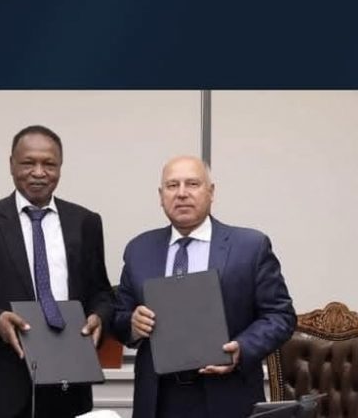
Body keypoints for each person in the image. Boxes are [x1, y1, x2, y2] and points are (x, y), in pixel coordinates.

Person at [0, 125, 113, 418]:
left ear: (60, 167)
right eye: (28, 163)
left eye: (49, 164)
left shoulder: (85, 222)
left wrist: (99, 317)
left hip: (67, 386)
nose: (39, 172)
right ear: (11, 165)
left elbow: (101, 292)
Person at [112, 155, 297, 418]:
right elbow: (118, 317)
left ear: (211, 192)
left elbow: (280, 316)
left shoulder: (250, 246)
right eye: (172, 185)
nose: (182, 193)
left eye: (192, 184)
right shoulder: (139, 249)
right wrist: (132, 324)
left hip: (227, 395)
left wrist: (243, 348)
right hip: (158, 399)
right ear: (161, 196)